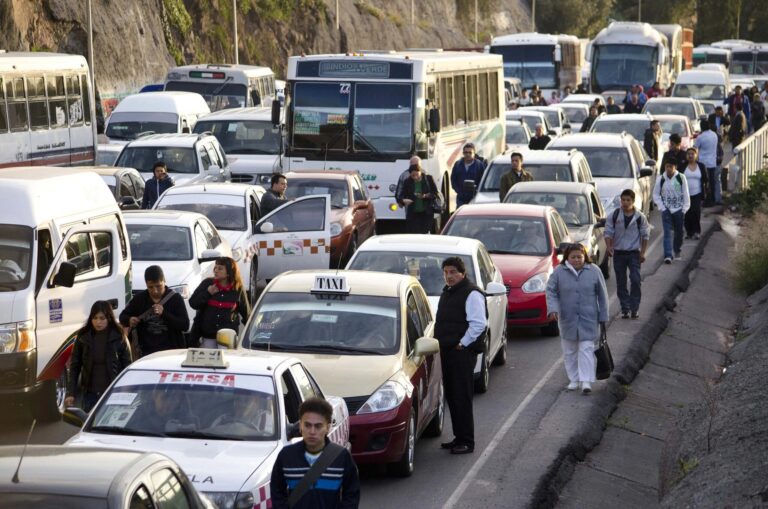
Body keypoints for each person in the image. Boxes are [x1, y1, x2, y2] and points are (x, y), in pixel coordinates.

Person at [435, 257, 487, 454]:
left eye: (453, 272)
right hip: (448, 352)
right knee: (453, 396)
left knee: (462, 397)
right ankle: (458, 438)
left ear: (462, 273)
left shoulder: (472, 293)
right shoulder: (448, 292)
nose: (449, 276)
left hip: (461, 354)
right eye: (446, 272)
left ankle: (466, 441)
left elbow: (478, 324)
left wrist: (461, 344)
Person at [271, 397, 360, 509]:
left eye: (318, 426)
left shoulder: (341, 456)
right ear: (300, 426)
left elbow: (352, 493)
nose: (312, 432)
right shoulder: (286, 456)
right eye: (307, 425)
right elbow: (277, 491)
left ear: (328, 428)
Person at [545, 243, 609, 394]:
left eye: (579, 257)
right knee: (570, 351)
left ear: (585, 256)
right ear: (567, 257)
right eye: (573, 257)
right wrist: (553, 309)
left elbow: (602, 294)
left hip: (589, 318)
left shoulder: (594, 270)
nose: (576, 260)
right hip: (568, 319)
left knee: (586, 348)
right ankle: (574, 379)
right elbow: (551, 290)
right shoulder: (559, 272)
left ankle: (586, 381)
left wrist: (603, 316)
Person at [65, 301, 132, 411]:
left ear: (109, 318)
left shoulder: (119, 337)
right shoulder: (83, 337)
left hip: (112, 393)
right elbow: (75, 366)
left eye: (102, 318)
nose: (98, 322)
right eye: (95, 318)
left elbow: (127, 366)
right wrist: (71, 393)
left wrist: (125, 390)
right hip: (90, 394)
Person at [120, 265, 190, 356]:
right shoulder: (140, 299)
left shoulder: (175, 299)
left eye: (158, 286)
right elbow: (123, 316)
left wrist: (164, 314)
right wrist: (130, 320)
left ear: (164, 281)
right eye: (150, 287)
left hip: (171, 352)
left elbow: (185, 325)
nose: (155, 291)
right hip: (146, 352)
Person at [605, 190, 650, 319]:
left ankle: (634, 308)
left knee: (635, 280)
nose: (625, 202)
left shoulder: (640, 217)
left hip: (634, 254)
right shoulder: (614, 215)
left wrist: (643, 253)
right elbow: (608, 232)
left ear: (633, 201)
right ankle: (625, 308)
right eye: (623, 200)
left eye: (628, 200)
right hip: (619, 253)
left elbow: (645, 235)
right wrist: (608, 247)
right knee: (621, 282)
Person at [189, 257, 250, 348]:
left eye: (220, 268)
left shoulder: (238, 289)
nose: (216, 270)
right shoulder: (207, 283)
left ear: (229, 272)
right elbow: (193, 303)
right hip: (208, 336)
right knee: (208, 361)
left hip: (228, 338)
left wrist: (250, 335)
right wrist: (208, 293)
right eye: (215, 267)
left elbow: (247, 314)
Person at [653, 157, 691, 264]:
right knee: (667, 233)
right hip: (666, 210)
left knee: (679, 232)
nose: (668, 169)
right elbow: (655, 194)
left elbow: (686, 194)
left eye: (671, 167)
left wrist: (684, 209)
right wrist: (662, 207)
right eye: (666, 167)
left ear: (675, 167)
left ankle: (677, 249)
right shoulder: (661, 179)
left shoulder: (681, 178)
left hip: (679, 210)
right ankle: (668, 255)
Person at [399, 161, 436, 233]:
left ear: (421, 172)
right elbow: (401, 194)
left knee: (425, 232)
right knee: (415, 233)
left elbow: (435, 193)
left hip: (426, 212)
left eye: (417, 175)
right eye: (413, 176)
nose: (415, 177)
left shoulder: (428, 179)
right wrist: (403, 201)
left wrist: (425, 196)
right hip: (413, 213)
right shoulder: (407, 181)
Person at [680, 147, 708, 240]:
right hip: (685, 194)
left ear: (696, 155)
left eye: (692, 154)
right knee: (687, 214)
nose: (691, 155)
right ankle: (689, 232)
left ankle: (697, 232)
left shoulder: (701, 166)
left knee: (696, 213)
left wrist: (706, 194)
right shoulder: (683, 166)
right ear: (686, 156)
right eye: (689, 154)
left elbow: (706, 180)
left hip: (697, 194)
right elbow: (676, 180)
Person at [693, 119, 720, 206]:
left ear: (701, 127)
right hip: (712, 162)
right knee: (711, 182)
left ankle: (705, 200)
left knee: (703, 182)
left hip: (703, 163)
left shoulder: (701, 137)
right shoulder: (714, 134)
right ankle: (712, 199)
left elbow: (695, 147)